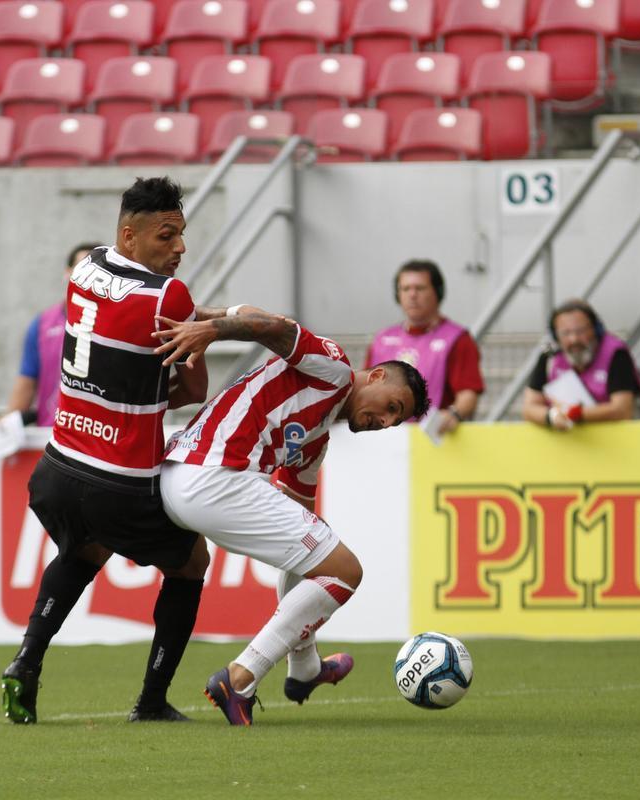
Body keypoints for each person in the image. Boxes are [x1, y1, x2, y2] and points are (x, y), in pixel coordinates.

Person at [0, 177, 267, 725]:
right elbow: (193, 392)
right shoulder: (170, 297)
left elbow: (116, 345)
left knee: (83, 551)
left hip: (55, 468)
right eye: (167, 236)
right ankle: (150, 701)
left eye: (183, 235)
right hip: (117, 478)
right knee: (192, 561)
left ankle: (27, 661)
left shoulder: (86, 268)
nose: (180, 248)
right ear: (130, 235)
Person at [153, 309, 430, 726]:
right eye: (392, 406)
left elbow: (302, 541)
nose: (387, 421)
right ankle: (240, 678)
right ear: (374, 376)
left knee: (320, 561)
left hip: (181, 478)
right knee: (346, 571)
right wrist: (213, 327)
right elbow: (277, 328)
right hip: (213, 474)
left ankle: (304, 671)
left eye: (396, 420)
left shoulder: (315, 441)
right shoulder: (334, 369)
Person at [366, 259, 484, 437]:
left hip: (434, 440)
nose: (412, 295)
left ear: (438, 292)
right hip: (384, 440)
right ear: (398, 295)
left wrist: (453, 414)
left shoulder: (457, 339)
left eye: (420, 288)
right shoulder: (381, 340)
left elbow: (468, 394)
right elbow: (363, 391)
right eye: (405, 289)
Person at [4, 242, 101, 425]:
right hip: (51, 437)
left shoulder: (120, 325)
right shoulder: (41, 325)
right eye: (82, 269)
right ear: (67, 273)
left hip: (102, 439)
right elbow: (26, 385)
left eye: (98, 271)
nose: (90, 277)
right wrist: (4, 424)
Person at [523, 298, 640, 431]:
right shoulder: (549, 357)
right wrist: (551, 416)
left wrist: (574, 413)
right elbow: (529, 409)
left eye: (580, 331)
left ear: (596, 330)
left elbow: (622, 411)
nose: (574, 339)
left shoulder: (616, 354)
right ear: (556, 336)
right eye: (565, 333)